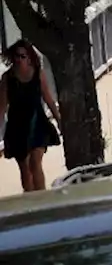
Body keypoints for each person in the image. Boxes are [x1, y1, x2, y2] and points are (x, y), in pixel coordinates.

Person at [0, 41, 61, 193]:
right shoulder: (7, 79)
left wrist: (59, 119)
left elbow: (48, 99)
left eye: (22, 56)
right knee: (25, 169)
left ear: (29, 58)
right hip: (17, 126)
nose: (18, 59)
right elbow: (2, 108)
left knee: (35, 163)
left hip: (37, 122)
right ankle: (30, 200)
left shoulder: (38, 74)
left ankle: (42, 199)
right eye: (16, 56)